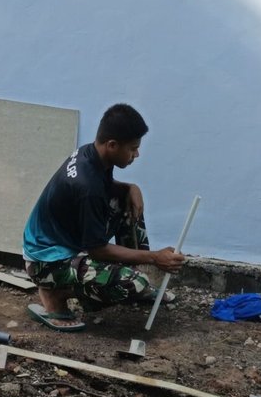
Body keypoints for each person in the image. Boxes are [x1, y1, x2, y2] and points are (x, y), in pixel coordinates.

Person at [20, 103, 185, 332]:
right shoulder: (88, 187)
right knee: (131, 284)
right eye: (133, 148)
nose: (136, 154)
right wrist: (154, 257)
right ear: (112, 145)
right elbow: (98, 249)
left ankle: (137, 277)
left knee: (126, 201)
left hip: (67, 241)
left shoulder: (92, 155)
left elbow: (103, 189)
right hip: (46, 263)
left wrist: (130, 187)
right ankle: (55, 294)